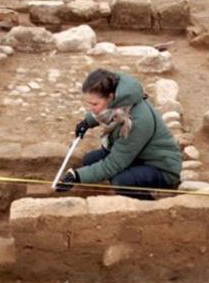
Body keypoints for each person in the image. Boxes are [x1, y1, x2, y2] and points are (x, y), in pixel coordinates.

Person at [57, 68, 182, 200]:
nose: (91, 108)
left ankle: (149, 207)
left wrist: (78, 176)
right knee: (89, 160)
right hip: (138, 155)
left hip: (160, 166)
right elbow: (106, 112)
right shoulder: (121, 98)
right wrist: (87, 122)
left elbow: (114, 164)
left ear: (111, 97)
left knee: (122, 181)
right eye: (89, 104)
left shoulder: (136, 121)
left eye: (94, 104)